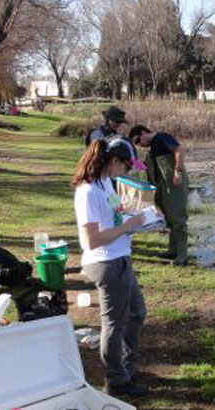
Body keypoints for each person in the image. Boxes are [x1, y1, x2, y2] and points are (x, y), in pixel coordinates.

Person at [71, 138, 149, 397]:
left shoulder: (107, 183)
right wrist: (128, 226)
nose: (128, 172)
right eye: (127, 167)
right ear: (114, 161)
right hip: (106, 262)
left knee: (136, 311)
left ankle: (126, 365)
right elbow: (91, 240)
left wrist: (142, 221)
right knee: (113, 324)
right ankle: (116, 380)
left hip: (121, 257)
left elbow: (117, 215)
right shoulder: (89, 191)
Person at [129, 125, 189, 266]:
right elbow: (146, 167)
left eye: (138, 141)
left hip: (174, 185)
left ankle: (182, 254)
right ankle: (173, 250)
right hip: (163, 187)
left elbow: (179, 149)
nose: (139, 145)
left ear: (144, 133)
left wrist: (178, 171)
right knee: (170, 218)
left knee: (178, 218)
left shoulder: (161, 137)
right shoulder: (152, 149)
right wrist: (132, 162)